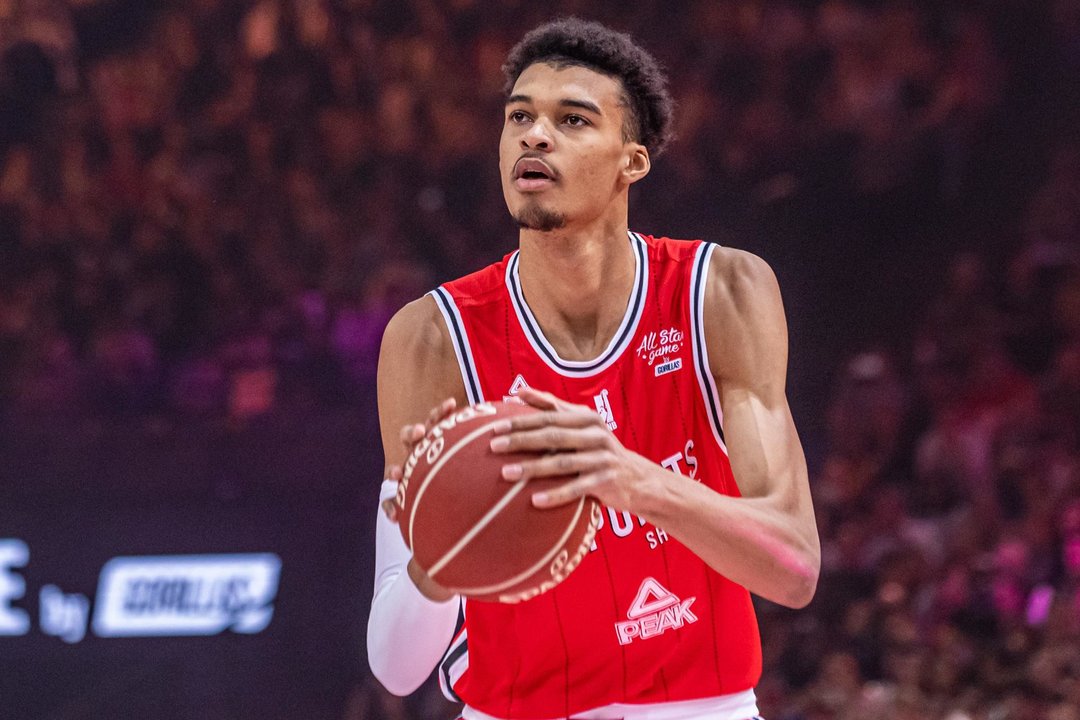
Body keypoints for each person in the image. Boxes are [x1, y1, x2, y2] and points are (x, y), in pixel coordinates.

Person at [367, 18, 820, 720]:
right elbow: (395, 667)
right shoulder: (432, 338)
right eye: (519, 116)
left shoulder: (721, 292)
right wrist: (442, 552)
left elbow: (793, 568)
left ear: (631, 161)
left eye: (572, 119)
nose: (534, 135)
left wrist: (629, 478)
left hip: (704, 709)